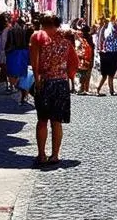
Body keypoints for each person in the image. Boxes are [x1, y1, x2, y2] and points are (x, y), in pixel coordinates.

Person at [29, 12, 79, 167]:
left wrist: (37, 80)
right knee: (56, 121)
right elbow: (73, 62)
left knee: (42, 120)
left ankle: (42, 155)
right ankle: (55, 155)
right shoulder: (66, 38)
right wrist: (70, 77)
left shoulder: (37, 37)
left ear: (42, 23)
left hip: (45, 82)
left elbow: (34, 62)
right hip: (61, 83)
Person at [5, 15, 33, 104]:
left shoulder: (11, 30)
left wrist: (7, 51)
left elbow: (8, 43)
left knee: (12, 73)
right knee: (22, 74)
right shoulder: (26, 31)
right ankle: (22, 93)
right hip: (23, 53)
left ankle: (14, 88)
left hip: (13, 53)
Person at [96, 18, 117, 96]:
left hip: (109, 55)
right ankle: (101, 89)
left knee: (108, 75)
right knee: (108, 75)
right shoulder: (111, 36)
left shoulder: (112, 36)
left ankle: (110, 90)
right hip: (109, 56)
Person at [73, 26, 94, 95]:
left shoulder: (80, 39)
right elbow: (92, 50)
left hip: (81, 59)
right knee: (86, 75)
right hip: (87, 59)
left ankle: (80, 88)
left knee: (79, 74)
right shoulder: (89, 38)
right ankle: (85, 89)